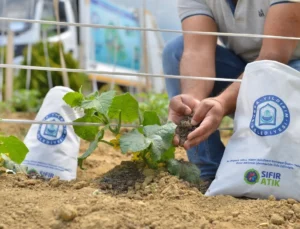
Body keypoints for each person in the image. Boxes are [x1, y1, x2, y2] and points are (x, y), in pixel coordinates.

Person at [163, 0, 300, 185]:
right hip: (242, 67)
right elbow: (197, 50)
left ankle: (278, 172)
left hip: (289, 68)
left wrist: (222, 102)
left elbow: (274, 55)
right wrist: (193, 103)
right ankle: (207, 173)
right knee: (176, 51)